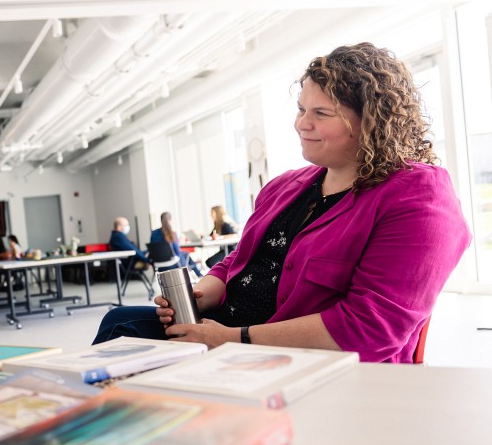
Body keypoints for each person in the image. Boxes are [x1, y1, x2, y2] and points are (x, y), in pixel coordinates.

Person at [95, 42, 470, 364]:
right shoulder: (285, 187)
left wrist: (230, 340)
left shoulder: (418, 197)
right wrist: (204, 292)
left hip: (300, 361)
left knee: (126, 349)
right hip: (228, 337)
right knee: (119, 324)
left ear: (372, 122)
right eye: (301, 108)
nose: (301, 124)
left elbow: (370, 327)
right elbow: (238, 261)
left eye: (320, 113)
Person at [150, 212, 203, 278]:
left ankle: (198, 274)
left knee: (185, 255)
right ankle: (199, 275)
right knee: (186, 254)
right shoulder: (172, 233)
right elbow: (177, 252)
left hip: (159, 265)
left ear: (161, 220)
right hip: (172, 264)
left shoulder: (154, 233)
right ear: (170, 220)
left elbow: (153, 249)